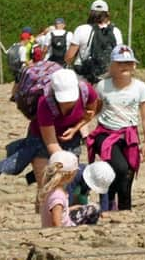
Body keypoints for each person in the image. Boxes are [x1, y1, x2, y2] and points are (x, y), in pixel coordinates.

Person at [85, 45, 145, 211]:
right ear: (112, 65)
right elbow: (93, 111)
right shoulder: (102, 86)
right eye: (121, 63)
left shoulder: (140, 87)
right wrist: (82, 130)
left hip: (129, 134)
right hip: (106, 134)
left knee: (128, 174)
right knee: (120, 168)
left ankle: (123, 211)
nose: (125, 67)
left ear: (134, 66)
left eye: (129, 63)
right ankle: (108, 202)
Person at [28, 69, 97, 209]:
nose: (67, 103)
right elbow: (51, 142)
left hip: (70, 135)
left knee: (67, 181)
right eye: (63, 100)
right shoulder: (45, 103)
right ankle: (44, 217)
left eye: (71, 99)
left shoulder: (87, 91)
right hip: (41, 137)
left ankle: (66, 213)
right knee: (46, 184)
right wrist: (64, 161)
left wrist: (75, 129)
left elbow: (90, 113)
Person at [39, 151, 110, 227]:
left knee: (88, 207)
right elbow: (56, 223)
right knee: (93, 209)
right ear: (70, 175)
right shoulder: (58, 195)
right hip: (67, 227)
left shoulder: (51, 190)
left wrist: (71, 208)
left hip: (64, 217)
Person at [66, 0, 123, 84]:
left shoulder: (81, 29)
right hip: (107, 79)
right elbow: (120, 56)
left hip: (84, 79)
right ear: (108, 14)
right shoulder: (116, 31)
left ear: (90, 13)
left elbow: (69, 57)